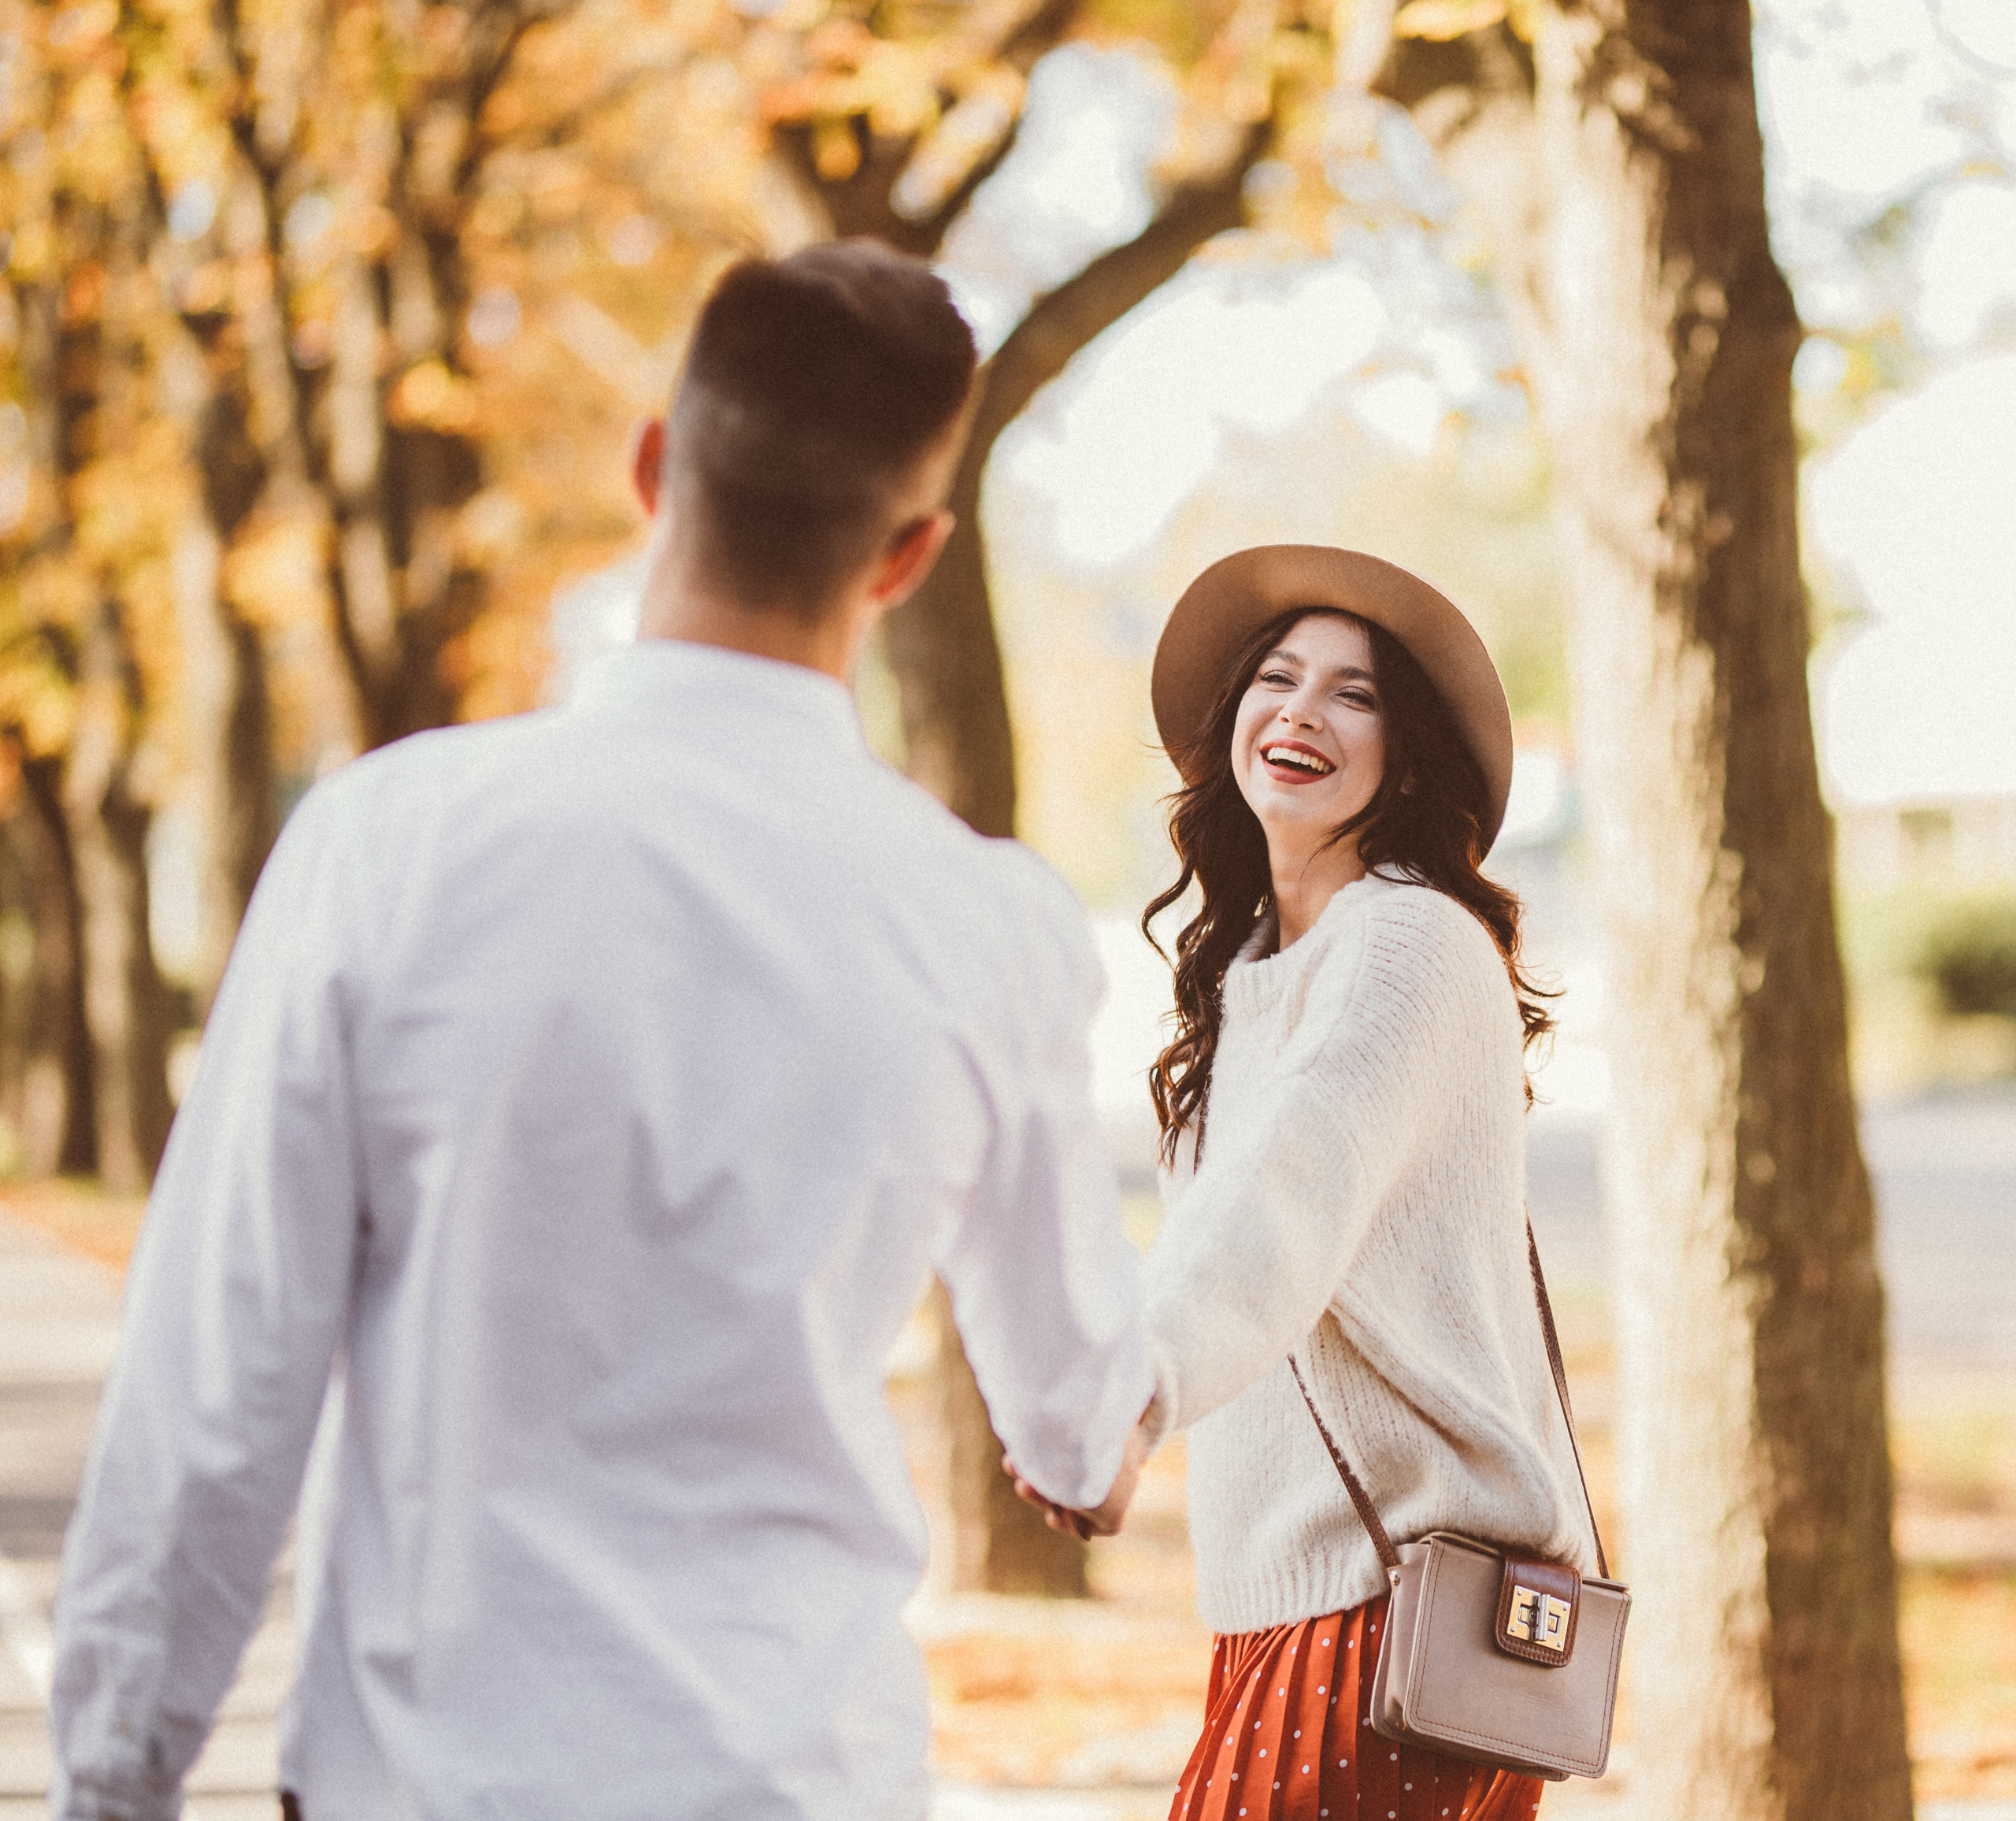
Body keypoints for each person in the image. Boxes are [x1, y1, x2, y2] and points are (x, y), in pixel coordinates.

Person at [47, 243, 1158, 1821]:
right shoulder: (988, 926)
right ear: (907, 555)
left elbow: (219, 1384)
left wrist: (113, 1780)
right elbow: (1076, 1417)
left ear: (652, 468)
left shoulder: (391, 843)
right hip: (801, 1783)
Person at [1131, 547, 1598, 1821]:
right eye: (1277, 679)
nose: (1301, 712)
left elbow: (1286, 1195)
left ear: (1411, 752)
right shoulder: (1255, 978)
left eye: (1356, 694)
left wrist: (1126, 1388)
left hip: (1385, 1610)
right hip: (1309, 1607)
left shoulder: (1406, 936)